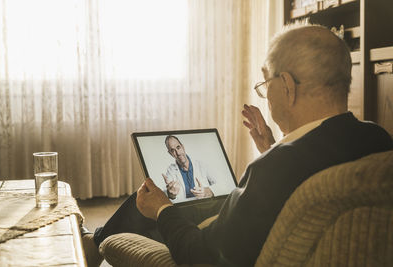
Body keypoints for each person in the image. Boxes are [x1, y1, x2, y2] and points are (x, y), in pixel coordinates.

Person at [83, 24, 393, 267]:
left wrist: (163, 209)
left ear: (286, 85)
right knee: (162, 202)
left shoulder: (273, 169)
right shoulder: (377, 139)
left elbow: (199, 251)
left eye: (265, 84)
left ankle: (95, 244)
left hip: (214, 254)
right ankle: (95, 238)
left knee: (154, 207)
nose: (265, 95)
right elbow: (310, 165)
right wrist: (273, 146)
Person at [162, 135, 218, 201]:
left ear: (182, 147)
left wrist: (207, 191)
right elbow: (169, 194)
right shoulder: (171, 171)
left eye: (178, 147)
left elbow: (221, 185)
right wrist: (171, 194)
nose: (178, 153)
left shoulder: (201, 164)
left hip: (204, 205)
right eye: (173, 150)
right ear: (170, 153)